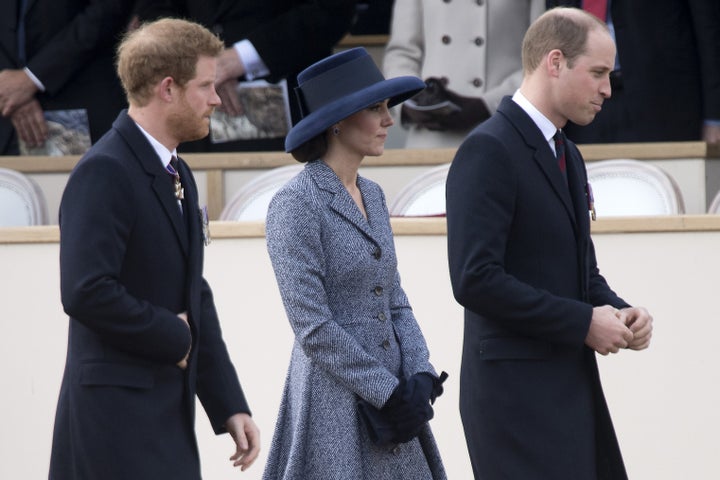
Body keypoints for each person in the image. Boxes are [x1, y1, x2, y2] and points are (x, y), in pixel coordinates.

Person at [445, 8, 653, 479]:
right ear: (554, 62)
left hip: (568, 391)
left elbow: (581, 272)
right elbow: (474, 280)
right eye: (598, 73)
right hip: (513, 403)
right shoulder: (488, 149)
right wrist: (583, 322)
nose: (607, 89)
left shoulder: (567, 153)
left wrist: (619, 312)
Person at [48, 18, 260, 479]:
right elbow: (85, 291)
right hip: (113, 426)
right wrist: (175, 337)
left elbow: (192, 292)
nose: (217, 99)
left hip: (163, 418)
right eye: (206, 85)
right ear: (168, 88)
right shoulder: (103, 171)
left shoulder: (177, 172)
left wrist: (228, 404)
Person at [262, 47, 447, 479]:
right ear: (338, 120)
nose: (389, 120)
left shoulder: (375, 194)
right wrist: (386, 392)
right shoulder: (295, 205)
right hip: (336, 398)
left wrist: (419, 373)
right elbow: (312, 325)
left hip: (397, 400)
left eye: (388, 107)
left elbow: (394, 296)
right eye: (376, 109)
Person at [135, 0, 357, 152]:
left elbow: (333, 9)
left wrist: (241, 58)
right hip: (190, 113)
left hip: (290, 106)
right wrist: (204, 65)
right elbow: (155, 11)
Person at [546, 0, 720, 145]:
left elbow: (709, 28)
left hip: (664, 104)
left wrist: (714, 117)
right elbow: (554, 28)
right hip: (582, 104)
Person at [382, 0, 545, 148]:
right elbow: (401, 54)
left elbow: (541, 59)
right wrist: (410, 102)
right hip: (432, 138)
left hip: (502, 129)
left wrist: (488, 105)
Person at [0, 0, 134, 155]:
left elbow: (109, 8)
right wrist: (9, 89)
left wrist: (32, 78)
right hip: (6, 116)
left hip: (79, 104)